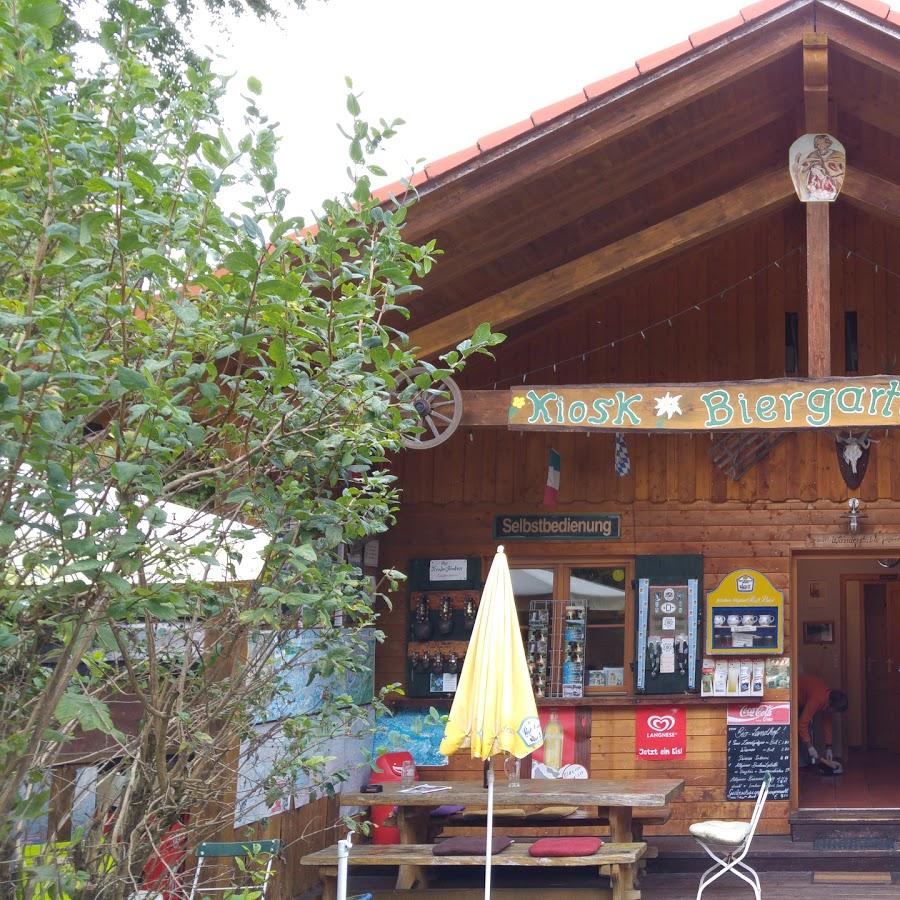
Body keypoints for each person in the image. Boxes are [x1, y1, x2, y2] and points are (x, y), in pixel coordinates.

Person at [798, 673, 848, 767]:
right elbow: (802, 724)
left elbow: (827, 724)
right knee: (804, 729)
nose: (834, 713)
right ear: (831, 704)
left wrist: (829, 748)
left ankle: (807, 760)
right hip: (795, 697)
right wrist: (810, 747)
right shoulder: (818, 699)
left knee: (807, 730)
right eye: (835, 710)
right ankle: (801, 763)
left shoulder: (829, 699)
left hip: (806, 696)